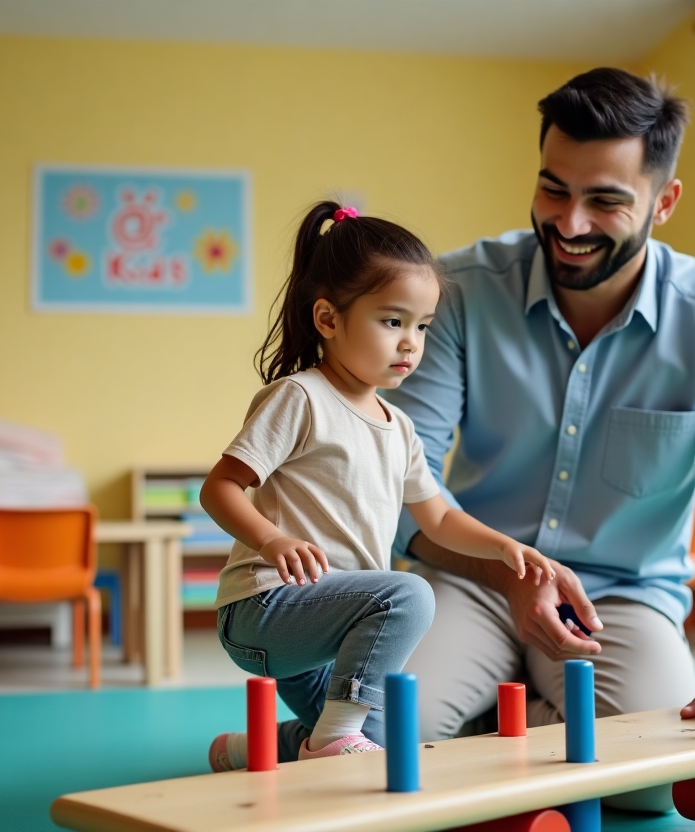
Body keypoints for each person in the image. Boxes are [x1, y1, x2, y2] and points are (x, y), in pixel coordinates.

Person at [383, 68, 695, 811]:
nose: (570, 223)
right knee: (384, 738)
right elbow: (407, 485)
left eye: (606, 200)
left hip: (621, 599)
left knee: (655, 788)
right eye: (553, 190)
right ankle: (522, 723)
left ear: (665, 201)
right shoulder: (457, 292)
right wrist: (511, 575)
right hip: (473, 576)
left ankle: (500, 723)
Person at [202, 201, 558, 770]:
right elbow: (219, 488)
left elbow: (438, 518)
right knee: (410, 592)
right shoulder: (301, 398)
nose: (411, 343)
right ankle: (332, 735)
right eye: (393, 322)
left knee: (393, 736)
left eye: (422, 326)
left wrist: (503, 545)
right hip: (266, 609)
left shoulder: (400, 427)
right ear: (328, 319)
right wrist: (272, 540)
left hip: (333, 629)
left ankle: (259, 750)